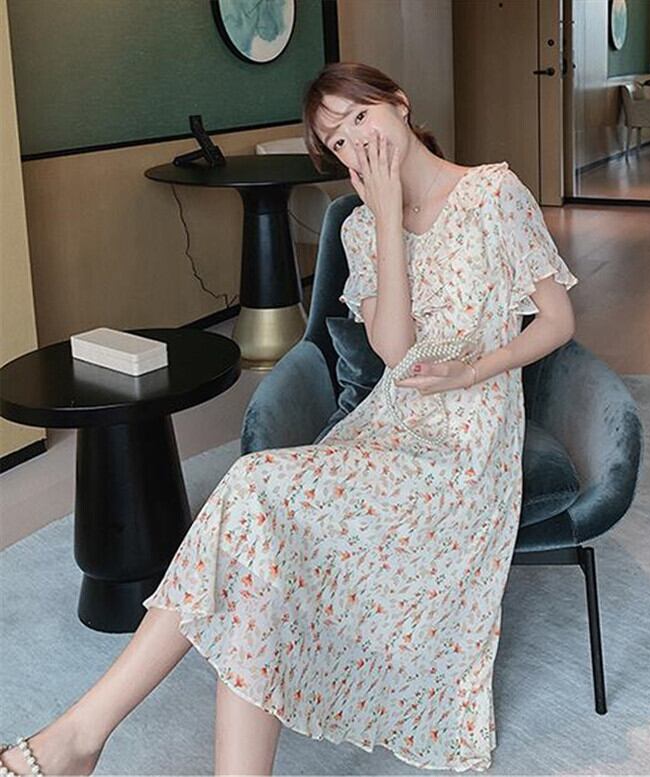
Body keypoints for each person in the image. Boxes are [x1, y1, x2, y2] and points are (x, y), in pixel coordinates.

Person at [0, 61, 579, 776]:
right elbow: (396, 353)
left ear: (399, 104)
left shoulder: (493, 192)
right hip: (390, 427)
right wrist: (387, 216)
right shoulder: (362, 229)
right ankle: (83, 739)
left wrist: (473, 369)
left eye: (361, 117)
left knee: (252, 493)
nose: (357, 143)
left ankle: (77, 738)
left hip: (467, 446)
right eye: (337, 140)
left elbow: (557, 321)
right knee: (256, 539)